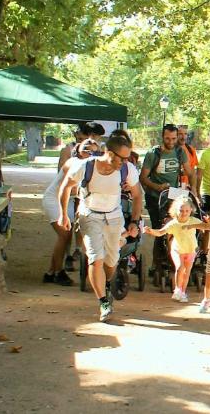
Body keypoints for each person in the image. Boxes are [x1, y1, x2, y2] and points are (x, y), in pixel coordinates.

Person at [58, 134, 142, 322]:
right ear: (108, 152)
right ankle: (103, 301)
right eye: (121, 157)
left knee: (110, 262)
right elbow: (65, 188)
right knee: (96, 259)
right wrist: (63, 214)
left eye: (127, 158)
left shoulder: (127, 170)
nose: (124, 162)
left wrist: (134, 221)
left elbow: (137, 196)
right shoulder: (86, 166)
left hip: (114, 217)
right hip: (89, 215)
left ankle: (107, 283)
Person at [43, 140, 101, 286]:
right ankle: (58, 272)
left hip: (67, 201)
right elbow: (71, 189)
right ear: (79, 150)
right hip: (54, 198)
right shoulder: (73, 162)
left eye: (93, 151)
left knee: (65, 236)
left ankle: (51, 272)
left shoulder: (92, 166)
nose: (89, 153)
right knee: (64, 234)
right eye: (86, 149)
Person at [142, 196, 203, 302]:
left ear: (191, 211)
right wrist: (150, 231)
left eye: (187, 211)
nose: (184, 213)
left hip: (191, 250)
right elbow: (160, 232)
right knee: (180, 268)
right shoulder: (173, 223)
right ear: (175, 210)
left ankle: (183, 292)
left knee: (187, 272)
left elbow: (205, 227)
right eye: (181, 210)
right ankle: (177, 289)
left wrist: (209, 223)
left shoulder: (194, 221)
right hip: (177, 250)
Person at [140, 124, 197, 229]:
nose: (171, 142)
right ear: (162, 137)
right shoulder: (153, 153)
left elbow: (191, 173)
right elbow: (142, 178)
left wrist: (194, 189)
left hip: (173, 195)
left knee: (174, 228)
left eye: (174, 138)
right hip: (154, 197)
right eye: (167, 138)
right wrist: (157, 186)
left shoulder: (180, 152)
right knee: (158, 230)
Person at [177, 125, 199, 190]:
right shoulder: (170, 150)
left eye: (185, 134)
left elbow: (193, 172)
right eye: (180, 134)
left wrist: (194, 189)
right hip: (173, 187)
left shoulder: (191, 150)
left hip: (186, 187)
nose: (183, 137)